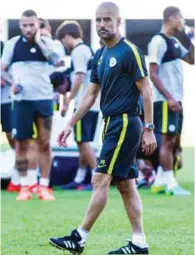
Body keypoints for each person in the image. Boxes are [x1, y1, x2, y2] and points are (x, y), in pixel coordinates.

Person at [49, 2, 156, 254]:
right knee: (126, 185)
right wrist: (70, 123)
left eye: (107, 20)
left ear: (119, 22)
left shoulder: (129, 51)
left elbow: (147, 91)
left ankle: (79, 237)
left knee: (99, 179)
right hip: (110, 124)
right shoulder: (99, 55)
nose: (101, 25)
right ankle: (139, 243)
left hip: (125, 123)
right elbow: (90, 94)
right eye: (98, 20)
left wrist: (149, 128)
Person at [1, 9, 63, 201]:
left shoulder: (49, 44)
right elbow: (2, 70)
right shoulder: (12, 44)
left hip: (43, 100)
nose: (28, 29)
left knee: (45, 143)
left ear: (38, 24)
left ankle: (44, 186)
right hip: (21, 101)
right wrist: (13, 84)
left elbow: (58, 62)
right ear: (20, 26)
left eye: (32, 25)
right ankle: (25, 186)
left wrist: (38, 42)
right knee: (21, 144)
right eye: (24, 26)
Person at [148, 6, 194, 195]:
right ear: (172, 18)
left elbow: (192, 60)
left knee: (174, 141)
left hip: (177, 100)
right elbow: (153, 73)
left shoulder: (174, 41)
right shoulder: (158, 42)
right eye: (181, 18)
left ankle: (159, 181)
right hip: (166, 101)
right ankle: (170, 184)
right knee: (167, 140)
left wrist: (192, 39)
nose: (183, 21)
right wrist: (169, 98)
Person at [56, 21, 100, 190]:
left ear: (67, 36)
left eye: (62, 41)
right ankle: (80, 178)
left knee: (82, 142)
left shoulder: (78, 51)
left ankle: (98, 179)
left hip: (85, 104)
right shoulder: (87, 49)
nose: (64, 45)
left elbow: (79, 77)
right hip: (93, 103)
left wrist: (68, 100)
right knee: (84, 141)